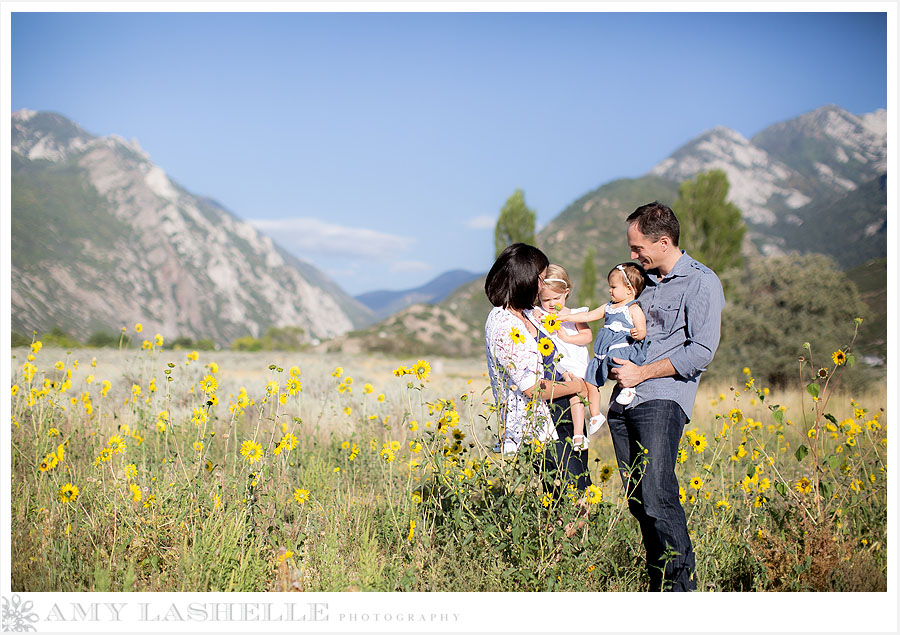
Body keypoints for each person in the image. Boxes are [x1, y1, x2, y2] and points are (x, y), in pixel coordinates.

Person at [605, 201, 725, 592]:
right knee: (639, 501)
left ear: (663, 241)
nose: (632, 255)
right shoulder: (638, 281)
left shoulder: (702, 282)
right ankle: (658, 586)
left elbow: (701, 351)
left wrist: (642, 372)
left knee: (657, 495)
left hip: (662, 398)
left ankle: (682, 591)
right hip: (623, 401)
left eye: (638, 248)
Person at [484, 243, 592, 495]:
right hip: (542, 424)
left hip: (564, 411)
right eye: (541, 279)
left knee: (580, 493)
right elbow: (532, 387)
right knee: (567, 498)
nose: (543, 286)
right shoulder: (503, 324)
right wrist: (579, 386)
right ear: (525, 279)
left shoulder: (530, 314)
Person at [554, 263, 648, 447]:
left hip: (620, 349)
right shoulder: (608, 307)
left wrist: (640, 332)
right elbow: (588, 316)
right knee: (590, 379)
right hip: (602, 353)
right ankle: (596, 415)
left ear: (629, 290)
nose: (610, 290)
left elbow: (641, 327)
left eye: (613, 287)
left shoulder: (632, 308)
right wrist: (566, 318)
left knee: (618, 362)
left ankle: (628, 388)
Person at [533, 264, 592, 450]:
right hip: (556, 362)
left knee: (576, 395)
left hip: (574, 359)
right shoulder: (542, 314)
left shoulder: (574, 315)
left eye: (556, 298)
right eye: (546, 300)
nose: (552, 304)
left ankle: (578, 434)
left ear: (566, 292)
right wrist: (537, 313)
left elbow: (587, 336)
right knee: (569, 383)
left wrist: (568, 337)